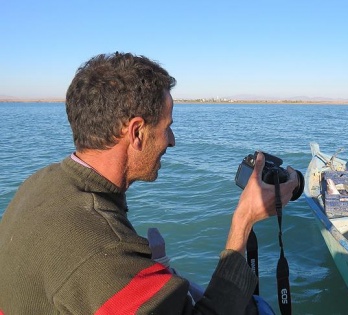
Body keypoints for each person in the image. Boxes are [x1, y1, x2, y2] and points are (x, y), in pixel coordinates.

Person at [0, 52, 300, 314]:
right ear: (136, 133)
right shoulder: (102, 250)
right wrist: (243, 221)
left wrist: (147, 270)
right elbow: (97, 260)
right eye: (167, 127)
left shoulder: (39, 183)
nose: (172, 141)